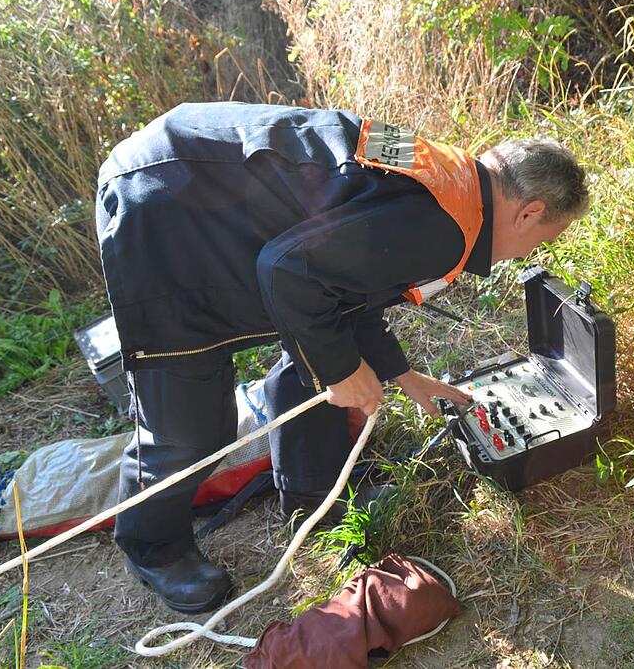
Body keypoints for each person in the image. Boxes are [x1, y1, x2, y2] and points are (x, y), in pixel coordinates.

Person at [94, 102, 589, 613]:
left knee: (323, 344)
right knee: (191, 420)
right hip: (160, 208)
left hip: (188, 176)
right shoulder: (442, 227)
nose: (525, 255)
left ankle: (313, 496)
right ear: (528, 212)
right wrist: (340, 371)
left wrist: (402, 376)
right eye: (539, 241)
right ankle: (153, 547)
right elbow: (289, 270)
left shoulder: (447, 174)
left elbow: (346, 284)